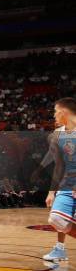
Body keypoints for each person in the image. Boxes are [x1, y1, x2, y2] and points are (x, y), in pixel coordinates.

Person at [44, 98, 76, 261]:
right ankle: (60, 249)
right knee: (56, 218)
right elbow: (59, 166)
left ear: (64, 112)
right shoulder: (56, 135)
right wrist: (51, 191)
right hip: (66, 184)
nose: (54, 115)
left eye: (56, 111)